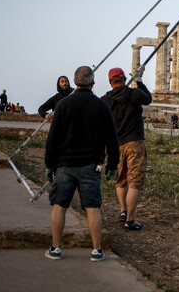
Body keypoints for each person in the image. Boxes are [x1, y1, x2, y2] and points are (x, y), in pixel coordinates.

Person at [44, 65, 119, 261]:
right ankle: (96, 250)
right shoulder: (101, 106)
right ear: (92, 82)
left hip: (64, 165)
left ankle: (55, 248)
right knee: (92, 207)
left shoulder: (63, 105)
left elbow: (52, 139)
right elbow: (112, 138)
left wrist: (49, 164)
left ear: (75, 82)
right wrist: (113, 165)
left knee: (59, 205)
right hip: (90, 166)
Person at [102, 67, 152, 231]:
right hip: (135, 142)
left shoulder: (105, 99)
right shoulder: (133, 94)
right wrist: (139, 81)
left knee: (120, 179)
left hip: (116, 144)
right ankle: (130, 220)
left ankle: (123, 211)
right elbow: (148, 98)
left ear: (110, 82)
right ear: (124, 79)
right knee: (134, 181)